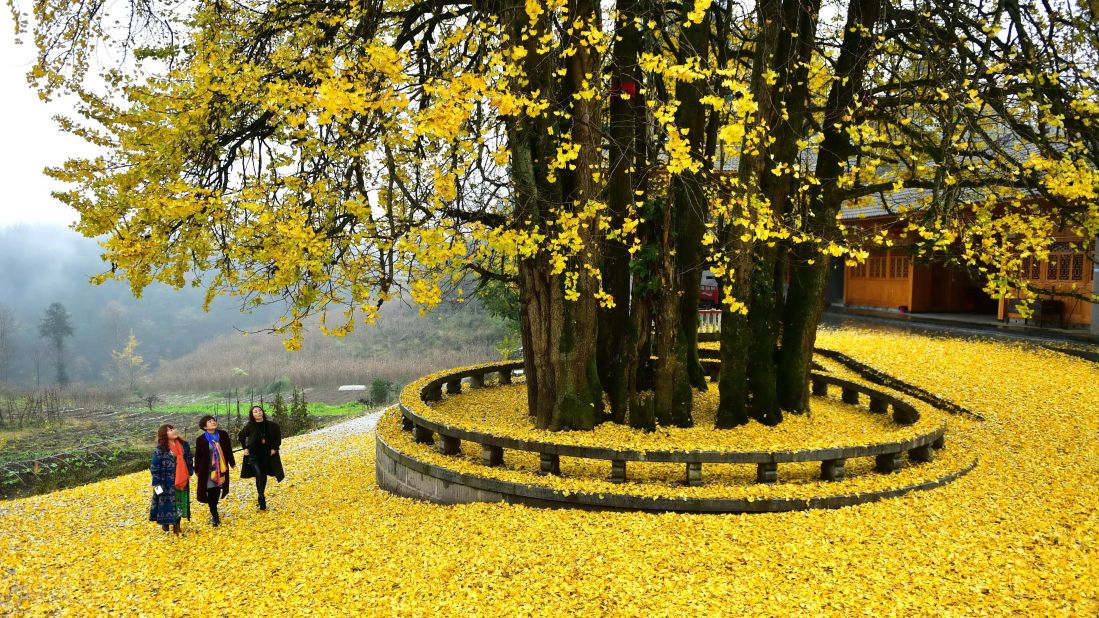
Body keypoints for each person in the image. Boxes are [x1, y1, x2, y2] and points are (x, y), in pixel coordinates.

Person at [238, 405, 284, 510]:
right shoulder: (250, 426)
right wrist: (245, 448)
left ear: (262, 412)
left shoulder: (272, 426)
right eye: (255, 411)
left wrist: (274, 448)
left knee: (263, 476)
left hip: (267, 455)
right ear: (252, 415)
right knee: (259, 474)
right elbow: (241, 436)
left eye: (259, 410)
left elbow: (278, 439)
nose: (258, 413)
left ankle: (260, 495)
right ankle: (262, 498)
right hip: (253, 456)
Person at [149, 424, 193, 535]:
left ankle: (177, 525)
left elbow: (188, 459)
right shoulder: (160, 449)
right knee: (165, 503)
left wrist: (189, 472)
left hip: (181, 479)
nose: (173, 431)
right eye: (169, 430)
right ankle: (166, 523)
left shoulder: (184, 445)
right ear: (164, 434)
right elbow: (155, 466)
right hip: (166, 482)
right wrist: (156, 483)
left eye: (173, 429)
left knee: (179, 502)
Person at [193, 415, 235, 527]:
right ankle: (214, 515)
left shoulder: (223, 435)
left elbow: (228, 449)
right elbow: (198, 456)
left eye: (213, 421)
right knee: (211, 490)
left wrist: (232, 462)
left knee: (217, 490)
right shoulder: (201, 440)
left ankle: (214, 506)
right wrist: (196, 469)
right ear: (204, 426)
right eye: (209, 422)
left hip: (220, 468)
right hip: (207, 470)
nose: (213, 422)